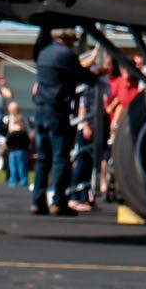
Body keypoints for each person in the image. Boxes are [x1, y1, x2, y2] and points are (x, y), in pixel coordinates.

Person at [30, 29, 97, 217]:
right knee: (60, 157)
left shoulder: (43, 54)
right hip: (57, 110)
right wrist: (95, 75)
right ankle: (58, 201)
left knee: (43, 158)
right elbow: (84, 76)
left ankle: (38, 200)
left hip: (40, 108)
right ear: (67, 40)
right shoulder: (66, 55)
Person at [3, 101, 32, 188]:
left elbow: (8, 141)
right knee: (21, 167)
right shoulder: (23, 133)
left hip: (14, 151)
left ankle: (14, 181)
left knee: (15, 167)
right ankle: (23, 181)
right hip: (20, 151)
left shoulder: (13, 133)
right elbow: (27, 141)